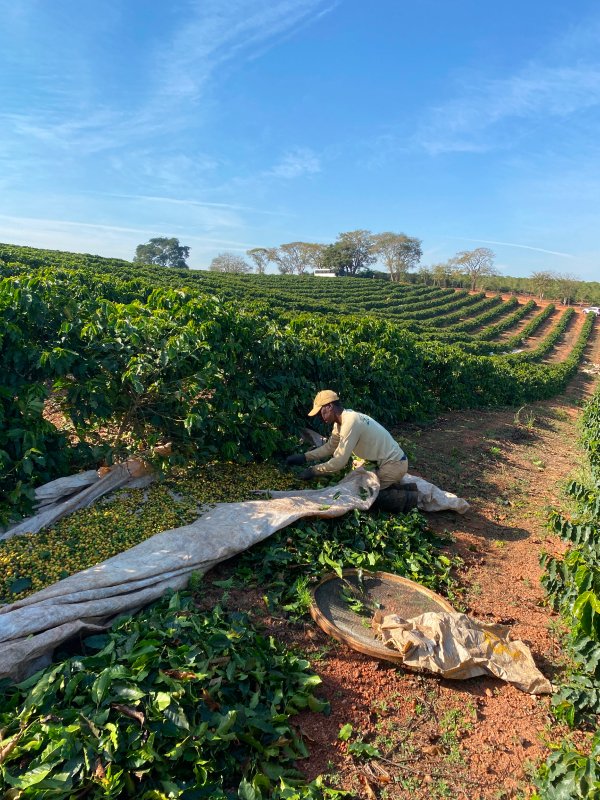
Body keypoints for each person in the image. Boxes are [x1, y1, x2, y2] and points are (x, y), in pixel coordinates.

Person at [286, 390, 417, 510]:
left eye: (321, 412)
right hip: (387, 463)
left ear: (330, 406)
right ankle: (403, 488)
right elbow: (330, 447)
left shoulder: (350, 422)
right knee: (362, 486)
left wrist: (313, 471)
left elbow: (339, 462)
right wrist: (304, 457)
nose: (320, 417)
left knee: (361, 496)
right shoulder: (340, 423)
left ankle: (409, 499)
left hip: (394, 464)